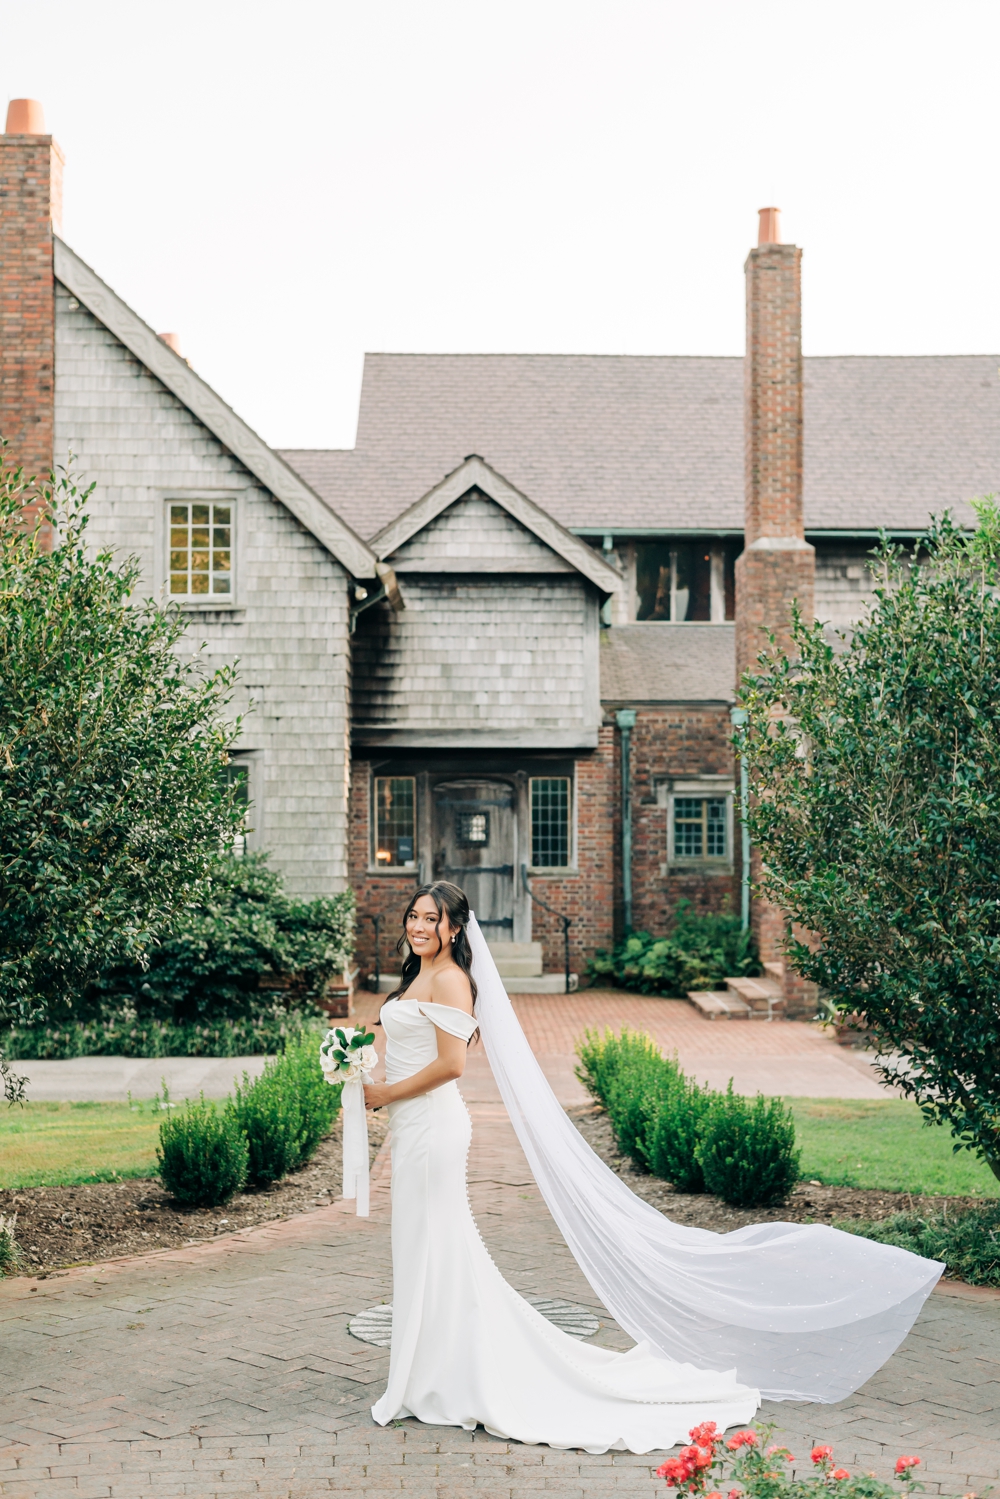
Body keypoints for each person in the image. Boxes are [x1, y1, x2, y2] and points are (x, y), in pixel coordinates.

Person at [363, 880, 760, 1453]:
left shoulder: (450, 980)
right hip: (413, 1125)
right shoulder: (418, 974)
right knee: (430, 1247)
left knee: (435, 1245)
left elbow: (451, 1066)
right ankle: (433, 1369)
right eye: (414, 916)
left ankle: (445, 1376)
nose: (419, 927)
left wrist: (384, 1093)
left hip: (432, 1128)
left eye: (432, 919)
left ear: (455, 929)